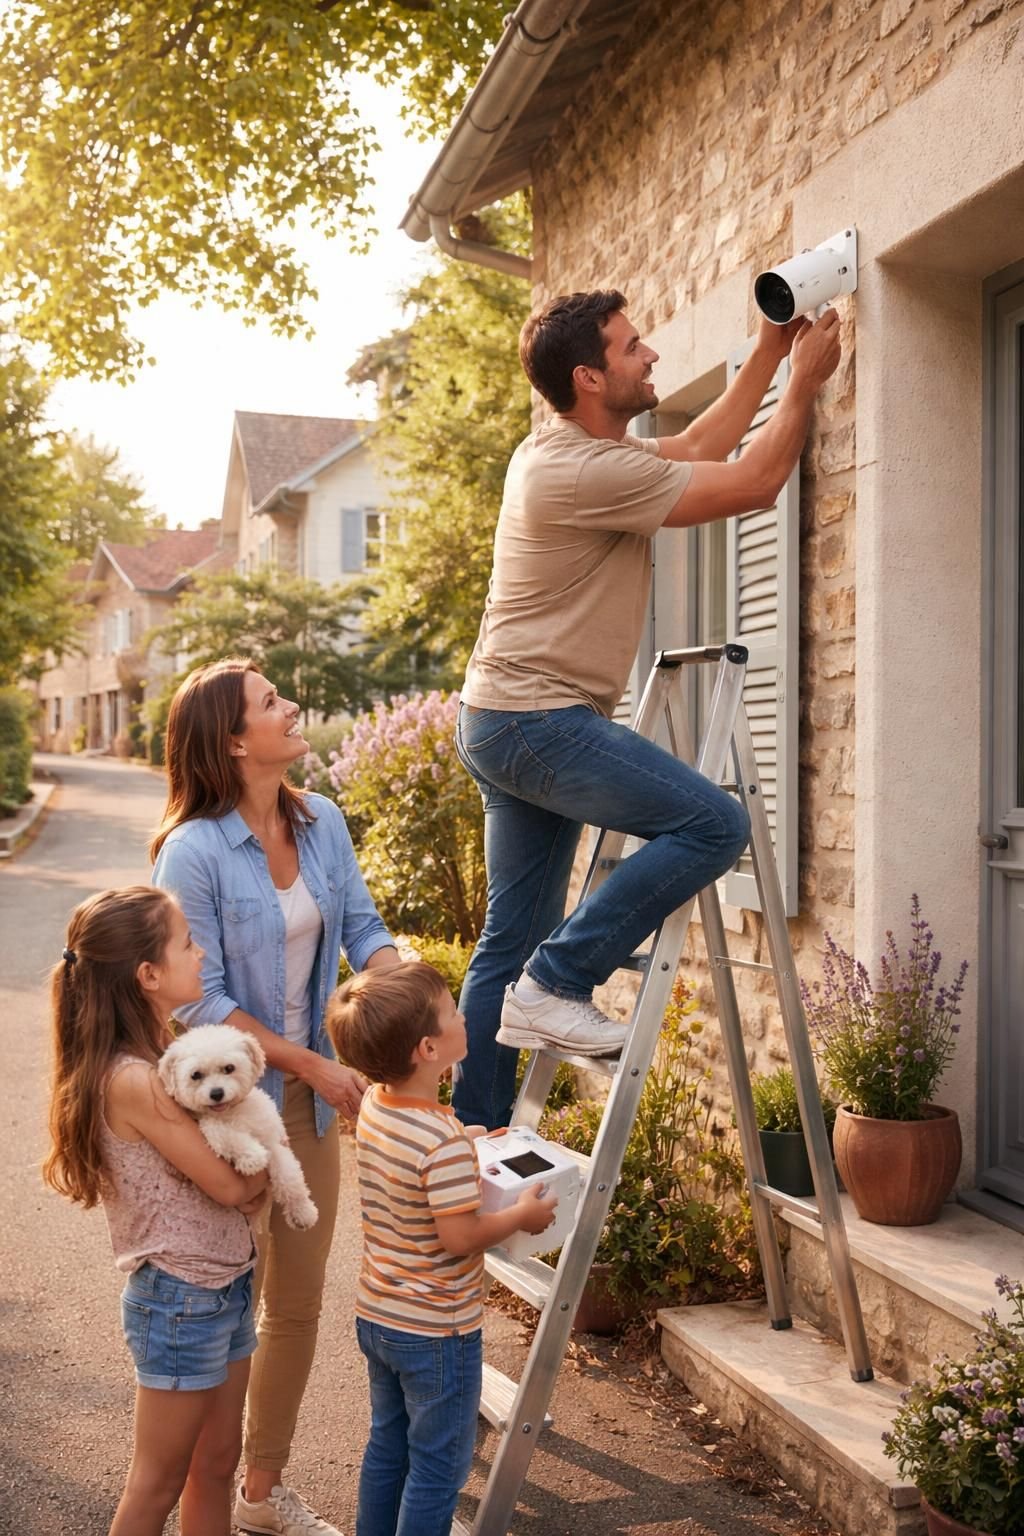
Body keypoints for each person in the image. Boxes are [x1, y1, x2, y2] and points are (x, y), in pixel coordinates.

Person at [453, 289, 842, 1130]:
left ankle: (473, 1143)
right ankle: (559, 983)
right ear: (590, 377)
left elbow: (704, 443)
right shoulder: (581, 470)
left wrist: (773, 351)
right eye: (633, 348)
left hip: (502, 717)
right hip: (537, 720)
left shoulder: (572, 452)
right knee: (713, 826)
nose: (653, 355)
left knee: (506, 941)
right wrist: (805, 384)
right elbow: (756, 482)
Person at [151, 658, 400, 1536]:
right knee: (216, 1299)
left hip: (312, 1101)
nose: (293, 708)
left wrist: (404, 989)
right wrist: (311, 1062)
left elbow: (363, 925)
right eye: (271, 702)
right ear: (231, 740)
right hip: (226, 1108)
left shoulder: (322, 819)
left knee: (294, 1301)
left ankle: (260, 1491)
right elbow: (200, 1000)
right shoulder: (193, 849)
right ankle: (195, 1489)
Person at [42, 886, 270, 1536]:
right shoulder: (137, 1079)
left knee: (218, 1462)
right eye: (187, 944)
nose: (201, 954)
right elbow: (231, 1186)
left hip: (223, 1283)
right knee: (157, 1482)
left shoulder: (160, 1051)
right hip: (179, 1301)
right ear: (148, 975)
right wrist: (262, 1181)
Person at [324, 962, 557, 1536]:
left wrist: (476, 1137)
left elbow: (421, 1154)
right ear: (429, 1048)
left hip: (380, 1315)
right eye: (454, 1010)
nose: (463, 1015)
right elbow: (459, 1237)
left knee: (389, 1445)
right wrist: (521, 1215)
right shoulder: (442, 1143)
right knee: (437, 1467)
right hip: (437, 1329)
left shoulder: (379, 1106)